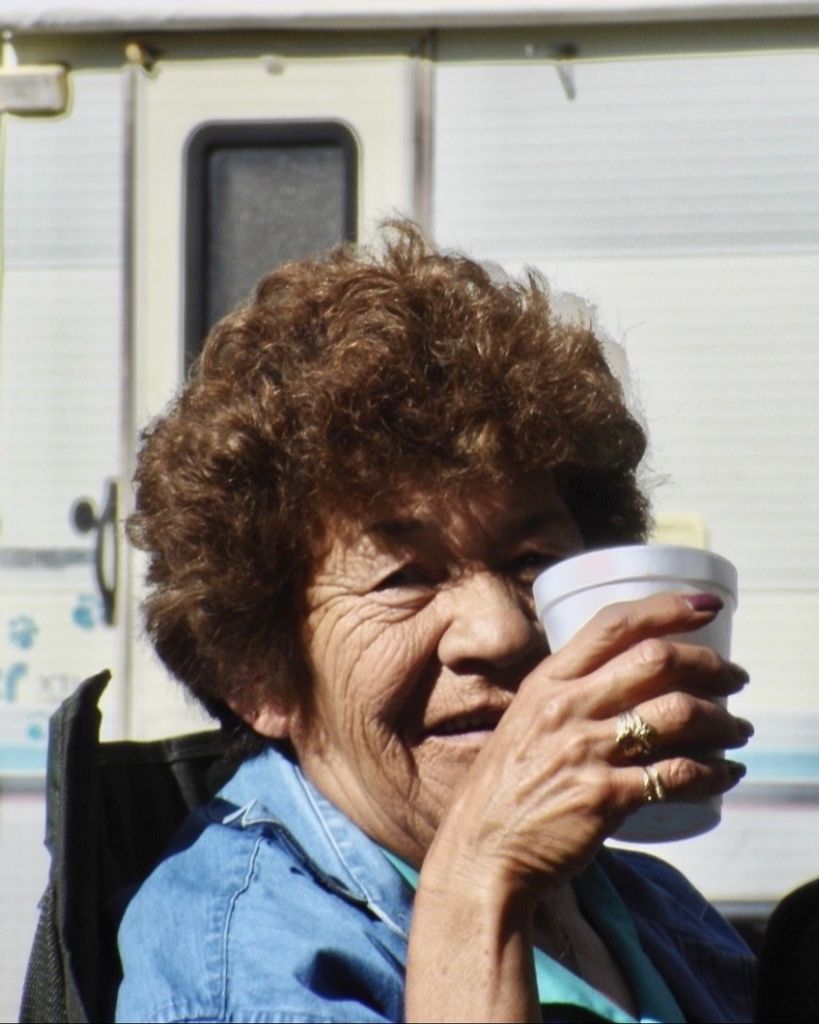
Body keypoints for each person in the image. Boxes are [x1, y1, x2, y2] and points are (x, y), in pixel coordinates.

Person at [115, 222, 755, 1023]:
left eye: (531, 561)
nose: (500, 633)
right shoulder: (240, 958)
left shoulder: (632, 897)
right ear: (261, 673)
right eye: (404, 578)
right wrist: (477, 885)